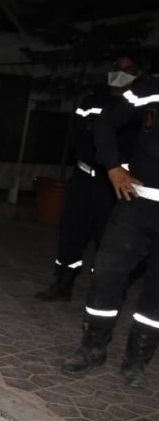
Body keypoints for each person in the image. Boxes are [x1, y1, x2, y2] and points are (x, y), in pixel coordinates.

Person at [60, 65, 159, 387]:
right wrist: (113, 166)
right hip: (137, 204)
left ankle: (137, 360)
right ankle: (92, 348)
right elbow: (105, 121)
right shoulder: (151, 88)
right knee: (106, 275)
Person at [35, 56, 144, 301]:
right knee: (71, 231)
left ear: (139, 74)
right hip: (83, 178)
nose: (120, 73)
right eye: (117, 68)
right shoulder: (93, 100)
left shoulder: (140, 105)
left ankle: (101, 293)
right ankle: (63, 283)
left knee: (108, 239)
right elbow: (77, 134)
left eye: (128, 69)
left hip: (116, 185)